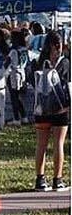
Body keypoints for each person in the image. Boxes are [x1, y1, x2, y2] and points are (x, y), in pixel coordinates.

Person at [33, 31, 69, 192]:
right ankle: (57, 179)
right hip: (61, 108)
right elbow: (68, 85)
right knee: (58, 143)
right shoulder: (65, 63)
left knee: (41, 144)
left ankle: (40, 179)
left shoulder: (39, 62)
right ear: (58, 45)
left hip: (41, 109)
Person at [6, 29, 31, 126]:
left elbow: (7, 62)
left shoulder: (13, 50)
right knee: (18, 96)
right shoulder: (24, 50)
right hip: (22, 73)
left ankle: (16, 118)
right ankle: (24, 116)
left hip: (14, 73)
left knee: (14, 97)